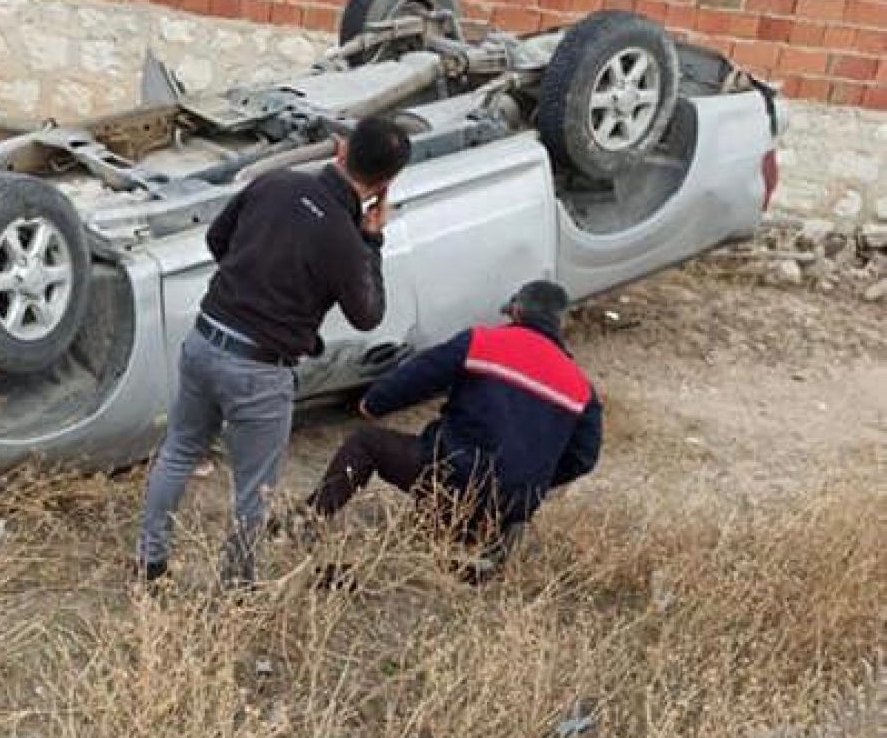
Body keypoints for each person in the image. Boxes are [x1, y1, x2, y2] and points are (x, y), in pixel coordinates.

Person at [136, 114, 413, 586]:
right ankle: (238, 585)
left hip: (206, 339)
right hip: (260, 371)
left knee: (179, 451)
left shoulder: (273, 183)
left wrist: (250, 282)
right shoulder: (346, 241)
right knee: (254, 487)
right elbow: (368, 314)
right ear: (384, 184)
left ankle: (150, 563)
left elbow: (215, 239)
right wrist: (373, 239)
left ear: (341, 150)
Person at [303, 280, 602, 571]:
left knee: (365, 443)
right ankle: (487, 536)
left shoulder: (481, 342)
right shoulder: (581, 389)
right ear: (559, 324)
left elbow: (419, 375)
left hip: (452, 477)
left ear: (517, 312)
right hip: (510, 505)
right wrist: (533, 479)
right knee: (492, 493)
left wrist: (373, 403)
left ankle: (307, 522)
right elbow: (584, 459)